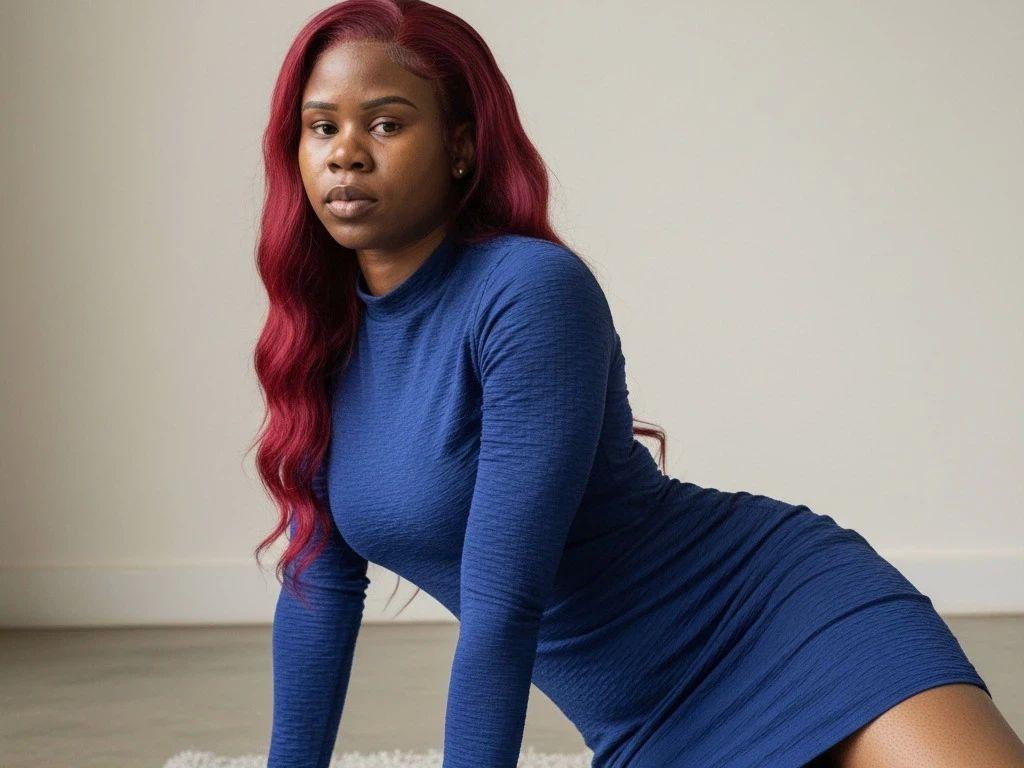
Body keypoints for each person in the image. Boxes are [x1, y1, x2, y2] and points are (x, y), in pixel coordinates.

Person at [250, 1, 1024, 766]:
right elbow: (319, 589)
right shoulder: (318, 335)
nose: (345, 154)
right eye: (322, 127)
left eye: (386, 124)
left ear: (460, 145)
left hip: (785, 620)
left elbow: (503, 606)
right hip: (645, 727)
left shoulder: (529, 292)